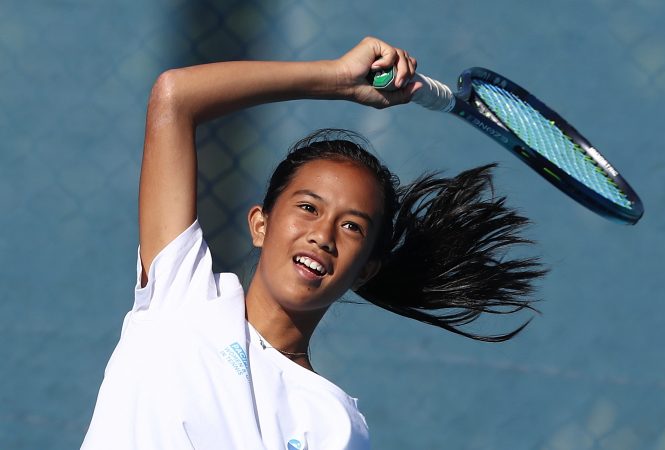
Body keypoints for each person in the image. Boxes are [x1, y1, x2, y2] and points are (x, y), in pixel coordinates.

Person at [81, 37, 545, 449]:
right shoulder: (181, 294)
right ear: (260, 224)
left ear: (366, 268)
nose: (322, 235)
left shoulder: (335, 425)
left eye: (352, 227)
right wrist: (338, 79)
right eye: (308, 208)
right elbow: (176, 96)